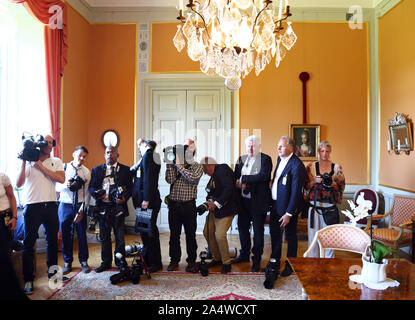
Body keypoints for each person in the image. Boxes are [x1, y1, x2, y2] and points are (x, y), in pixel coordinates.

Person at [16, 134, 66, 295]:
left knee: (53, 241)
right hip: (32, 206)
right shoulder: (29, 161)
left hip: (51, 205)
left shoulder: (56, 161)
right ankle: (28, 279)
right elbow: (18, 183)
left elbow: (61, 179)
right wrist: (24, 161)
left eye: (51, 143)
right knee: (28, 243)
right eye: (46, 142)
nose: (49, 145)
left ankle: (53, 274)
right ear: (39, 144)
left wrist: (40, 166)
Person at [267, 136, 307, 282]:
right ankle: (274, 261)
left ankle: (291, 264)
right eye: (278, 145)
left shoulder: (297, 165)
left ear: (291, 148)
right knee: (275, 234)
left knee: (290, 236)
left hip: (289, 209)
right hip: (276, 205)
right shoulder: (279, 159)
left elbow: (296, 192)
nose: (278, 148)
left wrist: (289, 213)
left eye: (282, 146)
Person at [89, 146, 133, 273]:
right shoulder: (97, 170)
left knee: (120, 237)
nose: (109, 155)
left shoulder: (125, 170)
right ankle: (106, 262)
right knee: (104, 237)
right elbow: (91, 187)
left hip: (118, 207)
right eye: (107, 153)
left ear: (117, 155)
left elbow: (130, 188)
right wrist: (98, 194)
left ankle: (120, 261)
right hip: (103, 208)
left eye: (112, 153)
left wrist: (124, 198)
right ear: (104, 155)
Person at [233, 135, 272, 272]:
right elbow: (235, 177)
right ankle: (244, 254)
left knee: (258, 232)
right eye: (248, 145)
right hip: (243, 202)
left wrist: (244, 179)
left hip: (258, 202)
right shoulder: (241, 159)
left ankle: (256, 259)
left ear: (259, 146)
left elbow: (263, 176)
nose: (250, 148)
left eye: (253, 145)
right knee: (242, 229)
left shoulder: (265, 159)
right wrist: (239, 184)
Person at [165, 140, 203, 273]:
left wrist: (179, 166)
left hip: (189, 206)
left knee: (190, 235)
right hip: (174, 205)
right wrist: (171, 164)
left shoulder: (197, 166)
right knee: (174, 235)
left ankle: (191, 261)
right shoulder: (174, 164)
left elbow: (192, 178)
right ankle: (174, 260)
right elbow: (169, 180)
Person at [304, 141, 345, 258]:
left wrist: (333, 184)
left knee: (329, 238)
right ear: (318, 151)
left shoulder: (337, 167)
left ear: (330, 152)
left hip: (330, 208)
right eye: (322, 151)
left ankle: (328, 264)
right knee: (313, 238)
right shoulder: (311, 167)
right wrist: (314, 182)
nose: (324, 154)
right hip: (315, 207)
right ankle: (312, 263)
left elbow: (341, 187)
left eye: (327, 151)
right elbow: (305, 187)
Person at [56, 146, 91, 274]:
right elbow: (56, 186)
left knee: (82, 234)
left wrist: (82, 209)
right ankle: (67, 262)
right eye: (79, 155)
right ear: (73, 154)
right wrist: (66, 185)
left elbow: (88, 193)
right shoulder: (63, 168)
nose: (81, 158)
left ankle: (84, 261)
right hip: (65, 204)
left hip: (80, 204)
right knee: (65, 234)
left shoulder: (86, 172)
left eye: (84, 156)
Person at [200, 157, 237, 274]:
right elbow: (211, 193)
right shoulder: (213, 176)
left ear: (210, 166)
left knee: (220, 235)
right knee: (207, 232)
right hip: (215, 210)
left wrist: (215, 204)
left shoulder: (222, 169)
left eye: (205, 171)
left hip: (226, 209)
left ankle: (226, 262)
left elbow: (228, 189)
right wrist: (206, 204)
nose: (205, 173)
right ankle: (217, 258)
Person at [131, 139, 163, 273]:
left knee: (149, 232)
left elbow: (149, 178)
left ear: (145, 146)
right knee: (145, 231)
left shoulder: (149, 156)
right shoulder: (147, 157)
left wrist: (146, 199)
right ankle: (148, 259)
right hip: (145, 202)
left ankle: (155, 262)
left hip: (147, 202)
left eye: (139, 146)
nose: (138, 149)